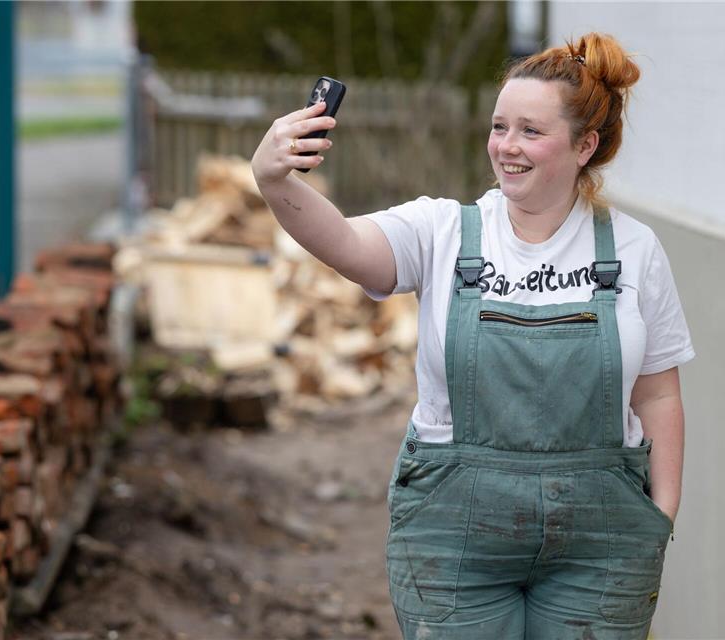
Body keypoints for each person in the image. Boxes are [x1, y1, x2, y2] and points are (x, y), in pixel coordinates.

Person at [251, 32, 695, 640]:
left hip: (602, 540)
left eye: (531, 132)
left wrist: (658, 518)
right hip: (452, 534)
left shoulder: (635, 250)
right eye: (499, 126)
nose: (507, 147)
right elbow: (348, 245)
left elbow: (658, 395)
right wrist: (275, 182)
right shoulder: (442, 232)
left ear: (585, 145)